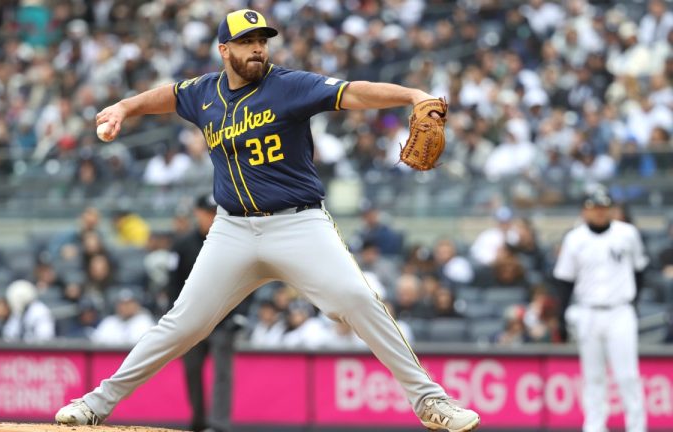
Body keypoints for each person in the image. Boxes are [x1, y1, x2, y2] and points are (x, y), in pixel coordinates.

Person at [56, 10, 480, 432]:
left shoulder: (290, 85)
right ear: (224, 50)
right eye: (245, 41)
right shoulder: (204, 93)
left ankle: (430, 401)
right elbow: (167, 95)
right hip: (232, 230)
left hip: (298, 225)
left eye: (262, 40)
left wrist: (411, 95)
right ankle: (97, 403)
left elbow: (355, 92)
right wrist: (124, 108)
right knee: (182, 324)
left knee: (358, 299)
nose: (257, 48)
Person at [553, 188, 648, 432]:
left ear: (610, 209)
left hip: (620, 310)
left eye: (603, 207)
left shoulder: (627, 234)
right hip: (588, 311)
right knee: (593, 376)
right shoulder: (575, 238)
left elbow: (640, 270)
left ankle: (636, 427)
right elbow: (564, 281)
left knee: (627, 375)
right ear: (585, 209)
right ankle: (594, 427)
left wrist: (633, 304)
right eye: (594, 207)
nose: (599, 212)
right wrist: (560, 319)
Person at [167, 194, 246, 432]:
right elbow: (172, 283)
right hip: (192, 319)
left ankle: (219, 426)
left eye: (215, 212)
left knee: (222, 374)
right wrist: (174, 313)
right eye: (207, 212)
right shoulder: (182, 245)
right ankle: (199, 423)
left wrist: (240, 313)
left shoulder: (233, 241)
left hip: (224, 318)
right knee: (192, 371)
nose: (211, 217)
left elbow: (247, 278)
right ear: (197, 213)